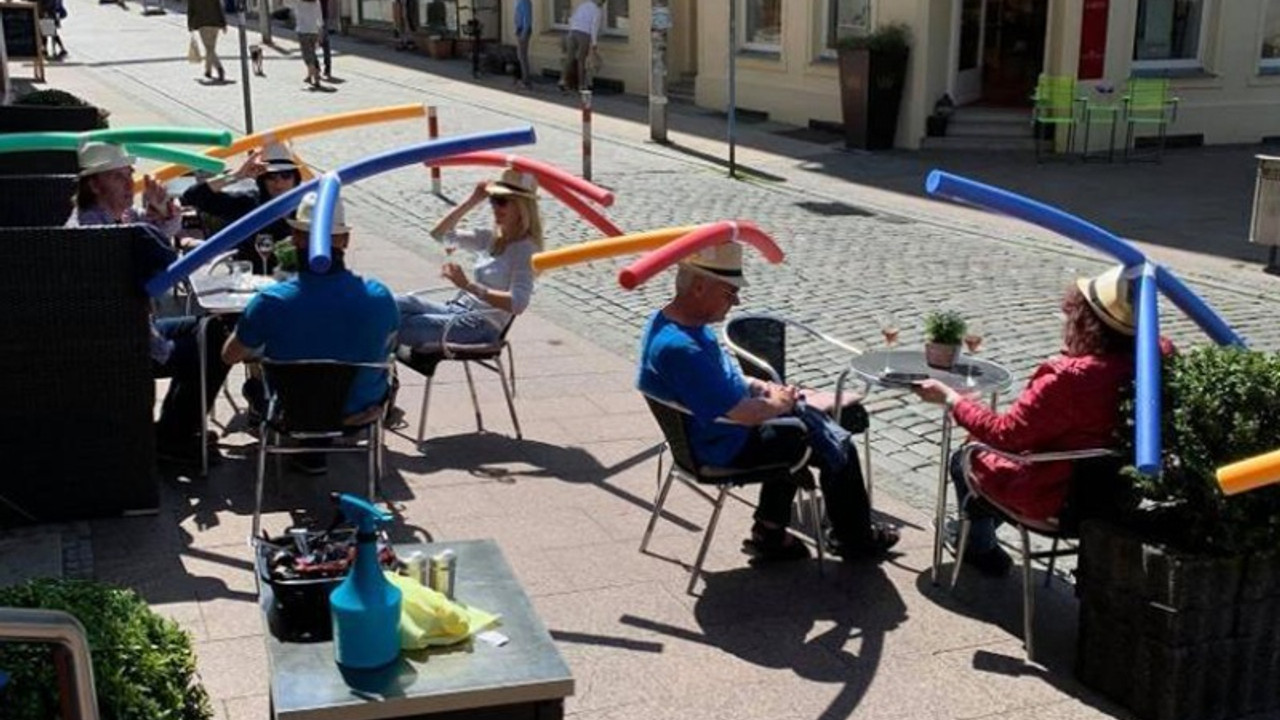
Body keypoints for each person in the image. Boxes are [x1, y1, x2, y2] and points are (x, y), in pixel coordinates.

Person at [636, 243, 900, 563]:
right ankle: (854, 540)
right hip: (724, 445)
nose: (736, 301)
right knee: (836, 440)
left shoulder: (670, 324)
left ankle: (771, 530)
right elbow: (746, 414)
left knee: (823, 422)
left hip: (708, 435)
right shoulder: (682, 349)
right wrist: (781, 403)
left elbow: (720, 380)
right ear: (700, 287)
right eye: (730, 292)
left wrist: (759, 385)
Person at [912, 265, 1148, 576]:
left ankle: (978, 547)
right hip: (1115, 497)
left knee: (965, 457)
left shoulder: (1070, 378)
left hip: (1056, 498)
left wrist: (951, 399)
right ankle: (976, 529)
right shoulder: (1152, 359)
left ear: (1083, 320)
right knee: (983, 454)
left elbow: (1005, 434)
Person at [66, 142, 232, 466]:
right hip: (121, 345)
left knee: (211, 330)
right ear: (94, 184)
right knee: (215, 345)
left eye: (129, 174)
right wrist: (163, 349)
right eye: (118, 177)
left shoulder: (110, 218)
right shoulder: (92, 235)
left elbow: (149, 231)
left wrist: (160, 211)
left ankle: (175, 430)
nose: (130, 184)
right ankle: (175, 436)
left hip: (133, 330)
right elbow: (119, 309)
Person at [222, 191, 398, 474]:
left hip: (292, 411)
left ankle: (305, 452)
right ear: (345, 240)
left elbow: (229, 356)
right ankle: (315, 454)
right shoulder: (380, 296)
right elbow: (388, 344)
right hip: (359, 409)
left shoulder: (272, 301)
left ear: (295, 238)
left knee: (254, 381)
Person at [395, 168, 541, 350]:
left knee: (396, 325)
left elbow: (518, 303)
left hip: (481, 326)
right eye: (493, 200)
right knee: (395, 303)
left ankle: (369, 372)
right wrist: (472, 200)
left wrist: (468, 286)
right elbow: (440, 235)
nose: (495, 207)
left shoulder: (526, 250)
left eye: (502, 201)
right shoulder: (491, 237)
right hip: (458, 310)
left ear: (522, 207)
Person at [179, 142, 303, 273]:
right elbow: (193, 196)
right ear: (263, 180)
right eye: (271, 177)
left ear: (295, 179)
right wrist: (237, 175)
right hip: (255, 281)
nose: (279, 182)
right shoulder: (249, 203)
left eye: (286, 175)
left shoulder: (308, 205)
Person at [557, 0, 604, 93]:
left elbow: (572, 18)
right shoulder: (597, 10)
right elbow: (594, 27)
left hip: (573, 32)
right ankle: (581, 86)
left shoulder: (583, 5)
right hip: (584, 34)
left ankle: (562, 80)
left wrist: (570, 31)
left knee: (569, 59)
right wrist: (594, 43)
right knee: (581, 60)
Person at [187, 0, 227, 83]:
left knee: (209, 49)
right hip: (215, 23)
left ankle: (219, 68)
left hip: (202, 23)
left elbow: (191, 10)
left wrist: (190, 24)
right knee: (211, 48)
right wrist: (223, 23)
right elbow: (219, 7)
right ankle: (208, 70)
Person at [290, 0, 325, 90]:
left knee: (308, 56)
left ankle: (316, 79)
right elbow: (320, 19)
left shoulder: (298, 2)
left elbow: (285, 3)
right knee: (312, 54)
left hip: (303, 31)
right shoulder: (316, 2)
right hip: (314, 31)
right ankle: (309, 76)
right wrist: (320, 32)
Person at [513, 0, 533, 90]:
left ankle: (526, 81)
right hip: (519, 29)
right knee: (520, 56)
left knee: (522, 56)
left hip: (523, 30)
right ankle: (522, 78)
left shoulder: (525, 2)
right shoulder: (518, 1)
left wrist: (524, 33)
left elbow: (527, 19)